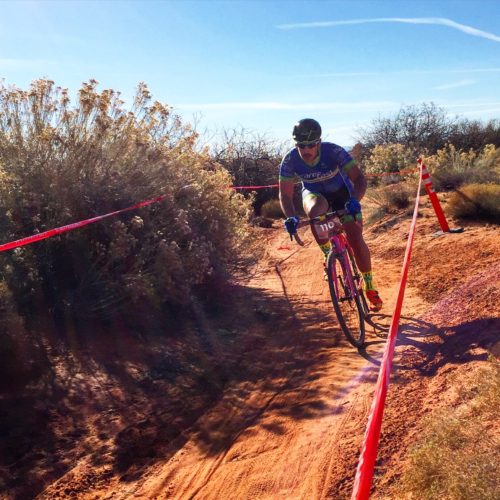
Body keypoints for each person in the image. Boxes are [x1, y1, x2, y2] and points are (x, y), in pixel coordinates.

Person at [278, 118, 383, 312]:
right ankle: (328, 254)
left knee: (355, 237)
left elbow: (359, 178)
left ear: (318, 142)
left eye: (311, 145)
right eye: (301, 145)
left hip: (343, 193)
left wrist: (355, 200)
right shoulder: (290, 160)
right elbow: (284, 194)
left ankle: (369, 284)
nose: (306, 150)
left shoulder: (334, 151)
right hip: (315, 195)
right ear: (296, 144)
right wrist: (290, 216)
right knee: (315, 212)